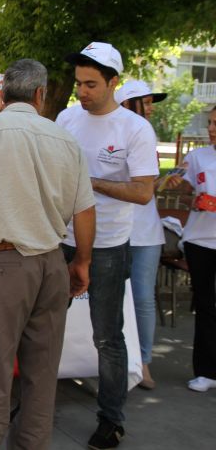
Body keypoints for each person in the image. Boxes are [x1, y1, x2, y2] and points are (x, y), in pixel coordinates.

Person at [0, 59, 95, 450]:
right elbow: (85, 210)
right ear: (40, 95)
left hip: (6, 266)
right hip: (52, 263)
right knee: (42, 375)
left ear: (3, 92)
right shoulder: (65, 140)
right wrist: (81, 262)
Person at [57, 43, 159, 449]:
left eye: (91, 84)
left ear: (114, 83)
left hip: (108, 247)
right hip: (61, 239)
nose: (81, 91)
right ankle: (30, 402)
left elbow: (143, 193)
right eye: (79, 83)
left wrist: (90, 182)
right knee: (44, 325)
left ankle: (111, 419)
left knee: (107, 337)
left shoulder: (135, 129)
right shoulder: (67, 118)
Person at [114, 80, 168, 390]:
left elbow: (146, 188)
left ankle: (143, 363)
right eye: (144, 102)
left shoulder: (149, 136)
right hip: (113, 232)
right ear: (125, 104)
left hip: (147, 234)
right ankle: (116, 361)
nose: (149, 108)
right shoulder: (107, 133)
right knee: (111, 299)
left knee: (143, 299)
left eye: (150, 102)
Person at [165, 105, 216, 393]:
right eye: (210, 122)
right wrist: (178, 187)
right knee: (206, 306)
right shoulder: (197, 157)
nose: (210, 128)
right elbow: (183, 190)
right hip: (199, 242)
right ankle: (206, 371)